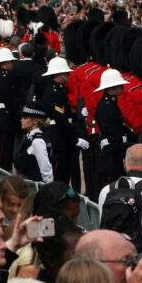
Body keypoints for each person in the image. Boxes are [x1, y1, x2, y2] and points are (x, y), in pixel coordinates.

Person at [42, 57, 87, 189]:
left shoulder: (59, 90)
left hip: (62, 139)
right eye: (66, 73)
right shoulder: (53, 92)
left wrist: (78, 116)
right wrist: (75, 140)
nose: (68, 75)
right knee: (59, 179)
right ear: (59, 75)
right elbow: (60, 120)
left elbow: (65, 116)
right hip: (59, 139)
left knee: (64, 178)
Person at [94, 69, 133, 190]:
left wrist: (136, 136)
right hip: (111, 156)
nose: (122, 87)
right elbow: (113, 135)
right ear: (113, 87)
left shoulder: (111, 104)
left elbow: (120, 128)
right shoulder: (105, 106)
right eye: (120, 85)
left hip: (115, 153)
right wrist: (121, 157)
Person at [0, 49, 19, 171]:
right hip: (4, 118)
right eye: (11, 62)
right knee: (3, 152)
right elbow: (8, 99)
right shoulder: (2, 77)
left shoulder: (1, 76)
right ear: (6, 63)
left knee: (6, 151)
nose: (12, 64)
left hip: (3, 116)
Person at [14, 104, 54, 184]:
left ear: (35, 121)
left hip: (35, 188)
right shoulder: (29, 137)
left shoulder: (37, 141)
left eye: (25, 118)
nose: (21, 120)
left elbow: (46, 171)